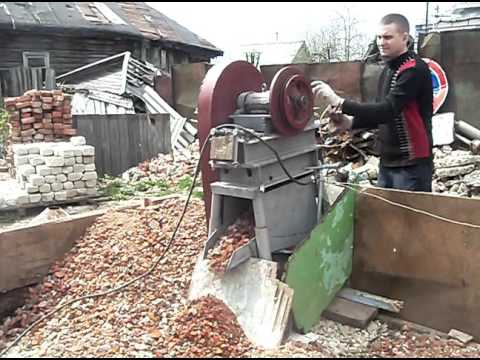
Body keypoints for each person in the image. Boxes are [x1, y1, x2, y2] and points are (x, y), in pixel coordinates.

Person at [312, 14, 434, 192]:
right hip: (388, 162)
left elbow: (388, 110)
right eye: (379, 37)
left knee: (410, 220)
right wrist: (350, 122)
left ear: (405, 38)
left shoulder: (413, 69)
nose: (381, 42)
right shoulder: (389, 70)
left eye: (387, 37)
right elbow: (379, 114)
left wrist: (340, 102)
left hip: (412, 165)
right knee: (386, 218)